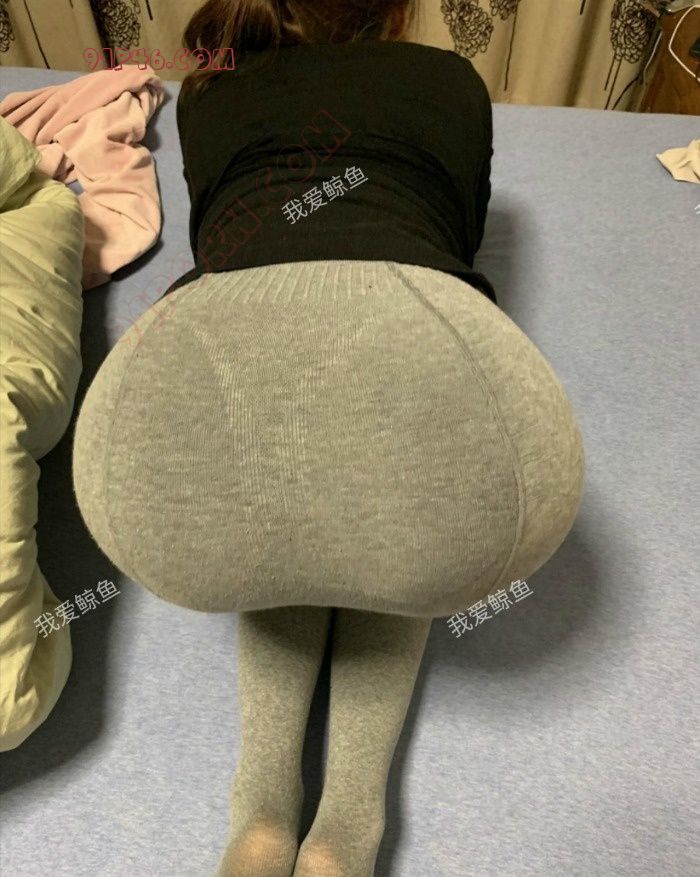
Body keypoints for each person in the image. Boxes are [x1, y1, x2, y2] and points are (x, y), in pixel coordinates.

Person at [71, 1, 585, 875]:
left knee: (283, 515)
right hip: (426, 358)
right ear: (399, 12)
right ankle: (348, 828)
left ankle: (260, 815)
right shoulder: (448, 79)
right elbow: (457, 238)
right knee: (391, 519)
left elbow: (219, 230)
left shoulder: (207, 89)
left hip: (159, 456)